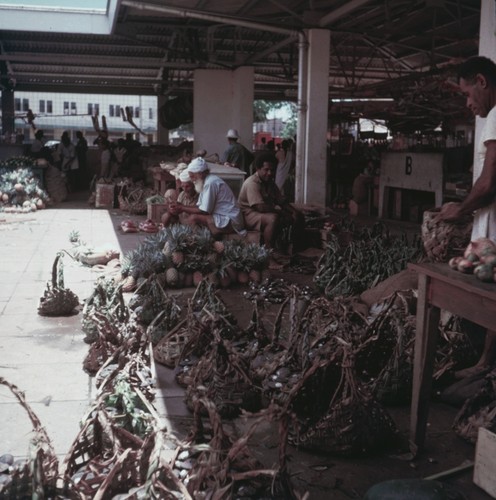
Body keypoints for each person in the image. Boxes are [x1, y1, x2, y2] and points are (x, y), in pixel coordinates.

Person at [437, 55, 496, 379]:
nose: (468, 102)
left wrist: (459, 209)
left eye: (466, 93)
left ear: (482, 82)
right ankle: (485, 363)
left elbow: (488, 183)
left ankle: (485, 366)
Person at [238, 152, 305, 268]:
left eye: (272, 170)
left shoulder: (270, 183)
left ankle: (280, 250)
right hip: (247, 215)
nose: (270, 173)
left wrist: (294, 212)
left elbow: (281, 201)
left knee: (292, 216)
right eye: (266, 169)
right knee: (273, 218)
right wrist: (282, 212)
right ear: (258, 169)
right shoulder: (252, 183)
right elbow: (260, 207)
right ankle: (268, 256)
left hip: (260, 214)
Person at [169, 157, 245, 237]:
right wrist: (180, 207)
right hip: (223, 217)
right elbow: (200, 207)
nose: (192, 180)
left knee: (193, 218)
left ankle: (203, 245)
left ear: (200, 174)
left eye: (192, 176)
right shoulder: (205, 182)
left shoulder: (210, 183)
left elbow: (204, 211)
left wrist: (181, 208)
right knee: (193, 218)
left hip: (231, 221)